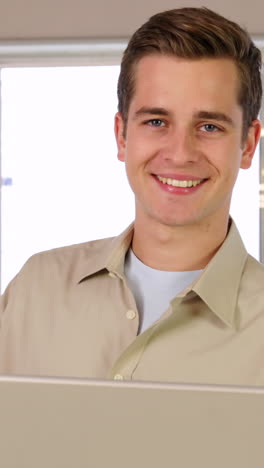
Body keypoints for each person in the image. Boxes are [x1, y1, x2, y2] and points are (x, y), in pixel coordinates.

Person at [0, 7, 263, 384]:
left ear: (248, 145)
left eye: (208, 126)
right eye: (157, 122)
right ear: (122, 135)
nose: (180, 153)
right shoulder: (34, 291)